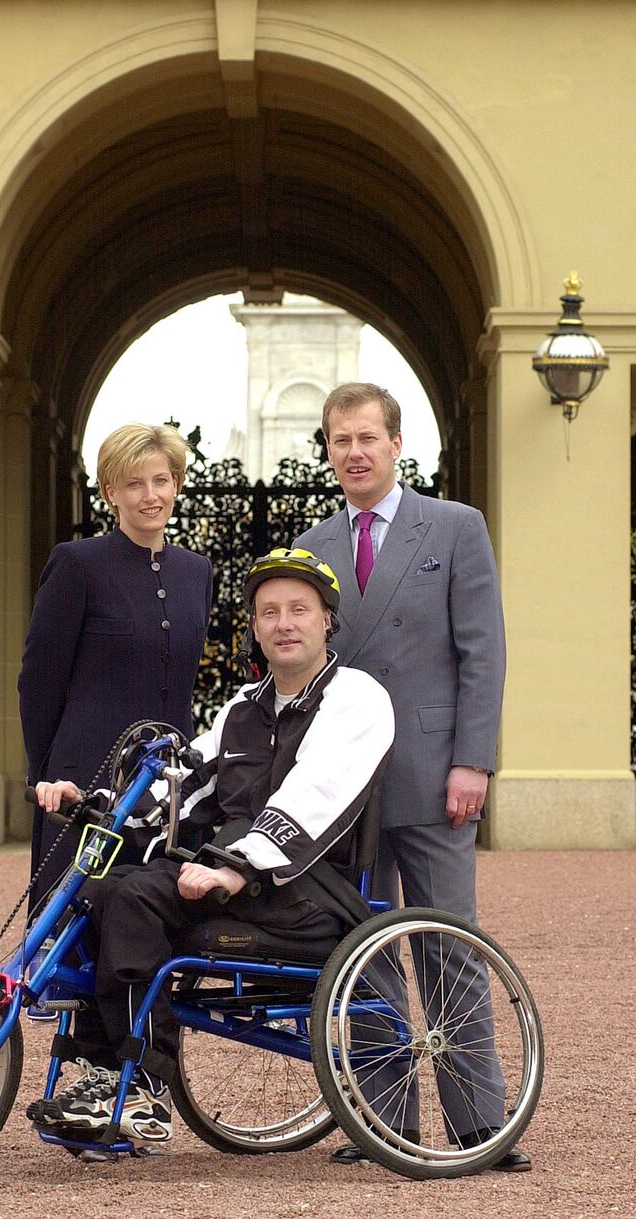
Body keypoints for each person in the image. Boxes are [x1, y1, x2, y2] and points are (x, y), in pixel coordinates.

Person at [26, 548, 395, 1146]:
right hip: (223, 883)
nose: (284, 623)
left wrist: (236, 867)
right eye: (269, 612)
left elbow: (315, 794)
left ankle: (143, 1086)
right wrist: (94, 803)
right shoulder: (241, 709)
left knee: (136, 901)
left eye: (299, 610)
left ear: (327, 619)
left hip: (306, 896)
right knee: (98, 892)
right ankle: (100, 1077)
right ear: (254, 627)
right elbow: (182, 786)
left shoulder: (357, 697)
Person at [294, 382, 529, 1172]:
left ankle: (478, 1126)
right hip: (344, 784)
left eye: (366, 437)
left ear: (398, 444)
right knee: (358, 945)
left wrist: (474, 758)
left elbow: (482, 652)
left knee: (445, 941)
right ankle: (382, 1122)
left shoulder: (456, 528)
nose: (353, 452)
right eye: (339, 440)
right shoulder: (314, 542)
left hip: (434, 773)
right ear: (326, 449)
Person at [19, 422, 213, 909]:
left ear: (177, 484)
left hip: (167, 783)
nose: (151, 495)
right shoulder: (77, 564)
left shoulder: (197, 571)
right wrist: (41, 775)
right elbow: (39, 681)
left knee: (153, 921)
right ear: (110, 492)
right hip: (84, 779)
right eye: (134, 483)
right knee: (72, 927)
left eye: (161, 480)